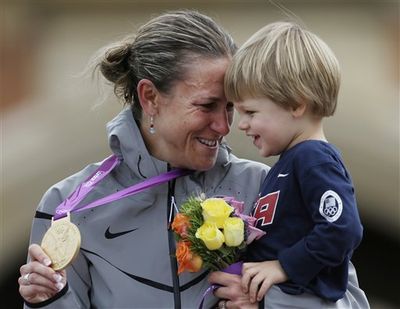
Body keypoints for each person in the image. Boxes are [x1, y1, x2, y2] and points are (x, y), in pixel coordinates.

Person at [18, 10, 269, 308]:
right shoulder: (67, 206)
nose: (224, 126)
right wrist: (49, 300)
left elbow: (336, 294)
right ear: (150, 97)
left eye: (229, 107)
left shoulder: (262, 185)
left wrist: (269, 303)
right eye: (206, 105)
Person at [219, 21, 370, 308]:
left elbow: (342, 229)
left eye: (250, 111)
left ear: (296, 104)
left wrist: (283, 267)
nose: (242, 125)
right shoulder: (290, 162)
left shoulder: (313, 159)